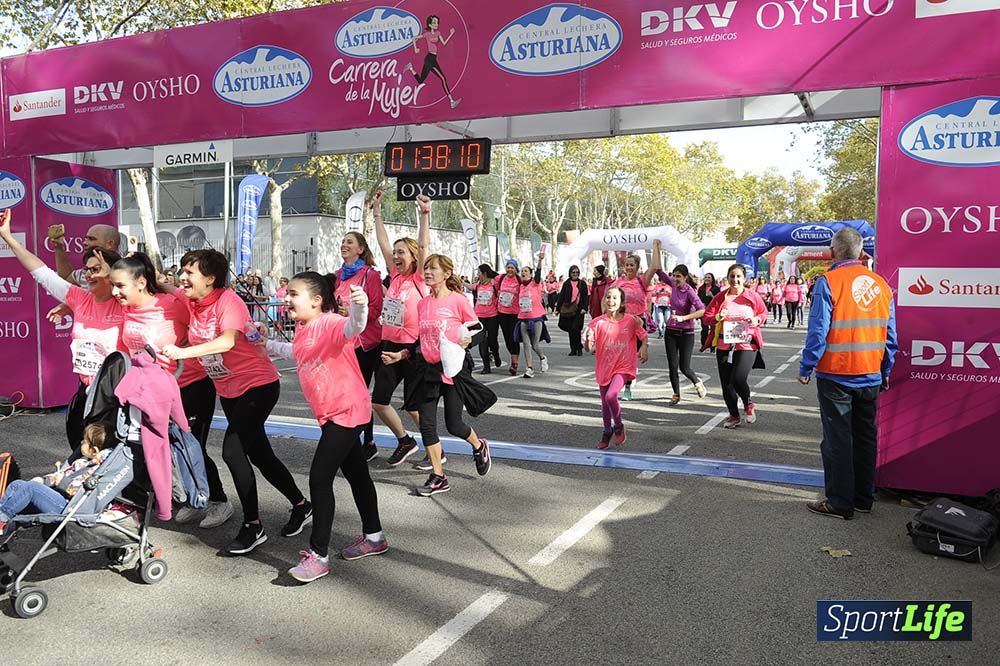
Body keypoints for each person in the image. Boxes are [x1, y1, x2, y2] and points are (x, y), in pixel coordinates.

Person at [163, 249, 309, 555]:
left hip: (258, 386)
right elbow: (160, 287)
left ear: (211, 278)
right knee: (260, 454)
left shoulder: (228, 301)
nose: (183, 277)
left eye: (190, 272)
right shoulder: (190, 299)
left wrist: (182, 353)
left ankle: (253, 526)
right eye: (182, 271)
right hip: (228, 389)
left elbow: (228, 340)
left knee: (232, 451)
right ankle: (301, 504)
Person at [262, 272, 387, 582]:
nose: (287, 298)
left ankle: (318, 556)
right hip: (331, 414)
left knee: (319, 478)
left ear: (317, 301)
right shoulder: (304, 328)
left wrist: (361, 306)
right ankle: (375, 537)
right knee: (357, 474)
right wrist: (264, 342)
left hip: (346, 410)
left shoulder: (330, 322)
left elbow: (354, 327)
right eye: (288, 293)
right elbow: (297, 353)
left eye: (293, 293)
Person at [0, 209, 125, 449]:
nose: (88, 275)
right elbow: (41, 272)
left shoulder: (128, 304)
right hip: (86, 391)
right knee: (81, 453)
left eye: (96, 269)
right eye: (87, 269)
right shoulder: (79, 298)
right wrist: (8, 237)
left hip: (117, 397)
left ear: (114, 275)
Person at [798, 228, 897, 520]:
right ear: (860, 251)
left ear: (834, 251)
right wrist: (886, 369)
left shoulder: (828, 282)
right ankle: (863, 498)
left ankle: (839, 502)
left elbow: (818, 331)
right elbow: (891, 336)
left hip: (837, 374)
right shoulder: (881, 285)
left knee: (837, 440)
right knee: (865, 437)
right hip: (870, 373)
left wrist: (806, 366)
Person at [390, 254, 492, 497]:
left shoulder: (458, 300)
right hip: (429, 369)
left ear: (446, 274)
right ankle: (438, 476)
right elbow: (419, 339)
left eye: (432, 269)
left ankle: (479, 446)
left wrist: (469, 339)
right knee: (426, 423)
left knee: (454, 424)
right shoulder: (423, 303)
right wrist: (402, 354)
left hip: (454, 368)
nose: (427, 273)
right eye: (425, 269)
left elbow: (480, 330)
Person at [371, 191, 430, 468]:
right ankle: (405, 440)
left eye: (401, 252)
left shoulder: (419, 277)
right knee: (379, 402)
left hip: (413, 349)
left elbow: (423, 243)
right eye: (394, 253)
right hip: (388, 346)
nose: (395, 255)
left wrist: (424, 215)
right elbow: (382, 243)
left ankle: (435, 450)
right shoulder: (394, 275)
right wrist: (377, 213)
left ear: (413, 257)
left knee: (413, 406)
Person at [0, 423, 112, 536]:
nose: (81, 442)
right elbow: (59, 475)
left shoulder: (96, 472)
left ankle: (2, 519)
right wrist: (44, 480)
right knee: (17, 484)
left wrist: (62, 482)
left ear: (94, 450)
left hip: (68, 507)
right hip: (58, 497)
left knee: (31, 488)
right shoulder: (82, 464)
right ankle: (4, 516)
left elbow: (82, 491)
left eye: (84, 441)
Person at [334, 231, 384, 462]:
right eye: (343, 242)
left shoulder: (370, 275)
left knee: (359, 394)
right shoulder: (337, 276)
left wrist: (353, 312)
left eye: (349, 242)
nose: (344, 245)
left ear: (360, 249)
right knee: (345, 393)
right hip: (343, 342)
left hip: (364, 343)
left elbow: (376, 310)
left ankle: (369, 442)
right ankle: (351, 439)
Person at [702, 264, 768, 429]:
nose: (735, 279)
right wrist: (718, 316)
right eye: (732, 276)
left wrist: (756, 320)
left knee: (738, 378)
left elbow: (763, 312)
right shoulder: (721, 297)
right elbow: (707, 317)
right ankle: (734, 415)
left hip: (746, 343)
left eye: (738, 276)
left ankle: (748, 403)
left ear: (744, 278)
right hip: (725, 343)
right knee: (726, 384)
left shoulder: (752, 296)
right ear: (728, 277)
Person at [584, 287, 648, 449]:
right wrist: (586, 340)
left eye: (614, 298)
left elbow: (643, 335)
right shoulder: (597, 323)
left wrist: (644, 347)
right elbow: (588, 348)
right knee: (605, 403)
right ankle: (607, 431)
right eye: (608, 298)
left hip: (624, 366)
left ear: (621, 303)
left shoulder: (630, 320)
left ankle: (618, 426)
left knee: (611, 396)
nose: (610, 301)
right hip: (604, 366)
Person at [650, 242, 706, 405]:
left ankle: (697, 382)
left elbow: (702, 310)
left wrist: (684, 318)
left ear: (685, 277)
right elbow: (658, 269)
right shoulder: (672, 285)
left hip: (686, 333)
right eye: (673, 276)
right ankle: (676, 394)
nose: (675, 279)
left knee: (684, 367)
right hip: (671, 332)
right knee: (672, 365)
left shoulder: (689, 291)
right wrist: (657, 248)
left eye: (678, 277)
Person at [609, 253, 657, 401]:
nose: (629, 267)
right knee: (620, 355)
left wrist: (656, 246)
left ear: (637, 267)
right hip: (622, 322)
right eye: (627, 265)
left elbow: (655, 267)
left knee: (631, 356)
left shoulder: (642, 280)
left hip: (637, 322)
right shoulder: (618, 283)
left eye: (632, 265)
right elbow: (609, 299)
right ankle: (620, 382)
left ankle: (628, 387)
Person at [404, 15, 461, 108]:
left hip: (432, 58)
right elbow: (414, 38)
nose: (436, 24)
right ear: (430, 24)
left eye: (437, 22)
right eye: (434, 22)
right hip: (430, 59)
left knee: (420, 80)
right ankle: (451, 101)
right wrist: (415, 48)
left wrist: (451, 34)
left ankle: (410, 68)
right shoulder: (427, 34)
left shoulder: (438, 33)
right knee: (443, 79)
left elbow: (444, 43)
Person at [50, 223, 120, 288]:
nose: (84, 243)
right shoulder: (84, 272)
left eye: (91, 239)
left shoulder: (125, 270)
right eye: (86, 238)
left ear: (110, 244)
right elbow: (66, 280)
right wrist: (59, 248)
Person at [516, 257, 549, 378]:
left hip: (536, 317)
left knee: (535, 344)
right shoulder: (520, 286)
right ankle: (529, 368)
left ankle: (542, 357)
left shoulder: (535, 283)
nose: (523, 273)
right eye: (522, 271)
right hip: (523, 318)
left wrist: (540, 260)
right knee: (526, 344)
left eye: (526, 271)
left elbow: (538, 272)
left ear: (530, 274)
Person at [472, 264, 503, 373]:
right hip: (479, 316)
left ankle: (496, 354)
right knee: (482, 341)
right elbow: (470, 287)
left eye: (479, 273)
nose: (477, 275)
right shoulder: (478, 285)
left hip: (492, 316)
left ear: (484, 273)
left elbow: (501, 278)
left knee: (492, 340)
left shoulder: (494, 283)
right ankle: (486, 366)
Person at [495, 259, 523, 375]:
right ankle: (513, 357)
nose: (510, 270)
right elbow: (495, 290)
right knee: (507, 337)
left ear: (516, 269)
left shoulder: (519, 280)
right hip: (502, 312)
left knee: (514, 337)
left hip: (514, 313)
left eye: (512, 268)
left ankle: (514, 363)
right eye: (508, 267)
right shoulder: (500, 278)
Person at [555, 265, 588, 356]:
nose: (575, 274)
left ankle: (579, 348)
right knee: (570, 330)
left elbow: (586, 297)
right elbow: (561, 296)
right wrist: (557, 309)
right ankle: (573, 349)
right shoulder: (567, 283)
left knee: (576, 329)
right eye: (573, 272)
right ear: (570, 273)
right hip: (569, 309)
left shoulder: (582, 283)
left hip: (579, 309)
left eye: (577, 272)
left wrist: (584, 308)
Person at [697, 272, 721, 352]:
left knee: (713, 330)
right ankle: (704, 344)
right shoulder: (701, 288)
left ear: (712, 279)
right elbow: (698, 300)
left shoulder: (716, 289)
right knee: (704, 329)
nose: (707, 279)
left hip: (713, 311)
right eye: (706, 277)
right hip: (703, 311)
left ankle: (712, 347)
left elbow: (718, 301)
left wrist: (712, 296)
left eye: (709, 277)